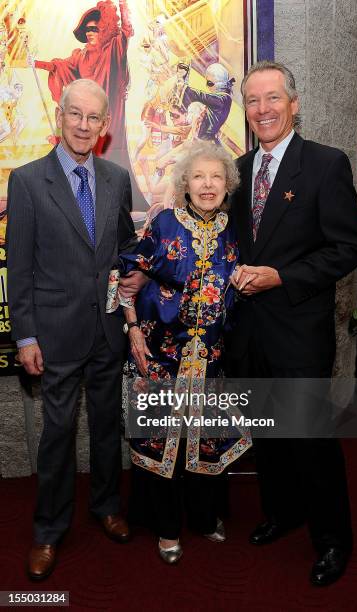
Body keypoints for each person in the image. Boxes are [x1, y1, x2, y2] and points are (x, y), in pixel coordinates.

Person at [227, 60, 357, 586]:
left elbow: (348, 247)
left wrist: (280, 277)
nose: (263, 110)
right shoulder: (239, 170)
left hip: (299, 329)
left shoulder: (326, 165)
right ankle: (282, 512)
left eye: (272, 99)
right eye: (254, 101)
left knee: (310, 437)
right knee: (268, 433)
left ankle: (333, 541)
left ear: (294, 103)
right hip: (250, 330)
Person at [6, 78, 137, 581]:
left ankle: (106, 506)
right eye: (75, 115)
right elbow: (19, 269)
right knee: (57, 435)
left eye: (94, 118)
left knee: (108, 429)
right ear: (60, 117)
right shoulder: (27, 180)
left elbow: (124, 246)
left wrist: (138, 269)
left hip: (107, 332)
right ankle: (47, 530)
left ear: (105, 126)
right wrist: (26, 336)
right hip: (55, 334)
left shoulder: (117, 178)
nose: (84, 125)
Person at [113, 140, 252, 564]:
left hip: (211, 358)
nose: (207, 184)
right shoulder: (166, 223)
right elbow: (127, 276)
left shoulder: (237, 229)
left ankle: (205, 518)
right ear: (184, 184)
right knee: (162, 444)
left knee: (205, 440)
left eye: (216, 177)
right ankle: (167, 527)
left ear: (228, 184)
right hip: (161, 355)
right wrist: (133, 329)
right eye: (198, 176)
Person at [30, 0, 133, 154]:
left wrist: (122, 3)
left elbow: (126, 30)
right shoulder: (81, 55)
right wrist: (36, 63)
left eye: (93, 29)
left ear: (104, 29)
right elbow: (60, 66)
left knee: (106, 155)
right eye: (86, 29)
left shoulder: (113, 49)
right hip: (85, 112)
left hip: (108, 112)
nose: (88, 33)